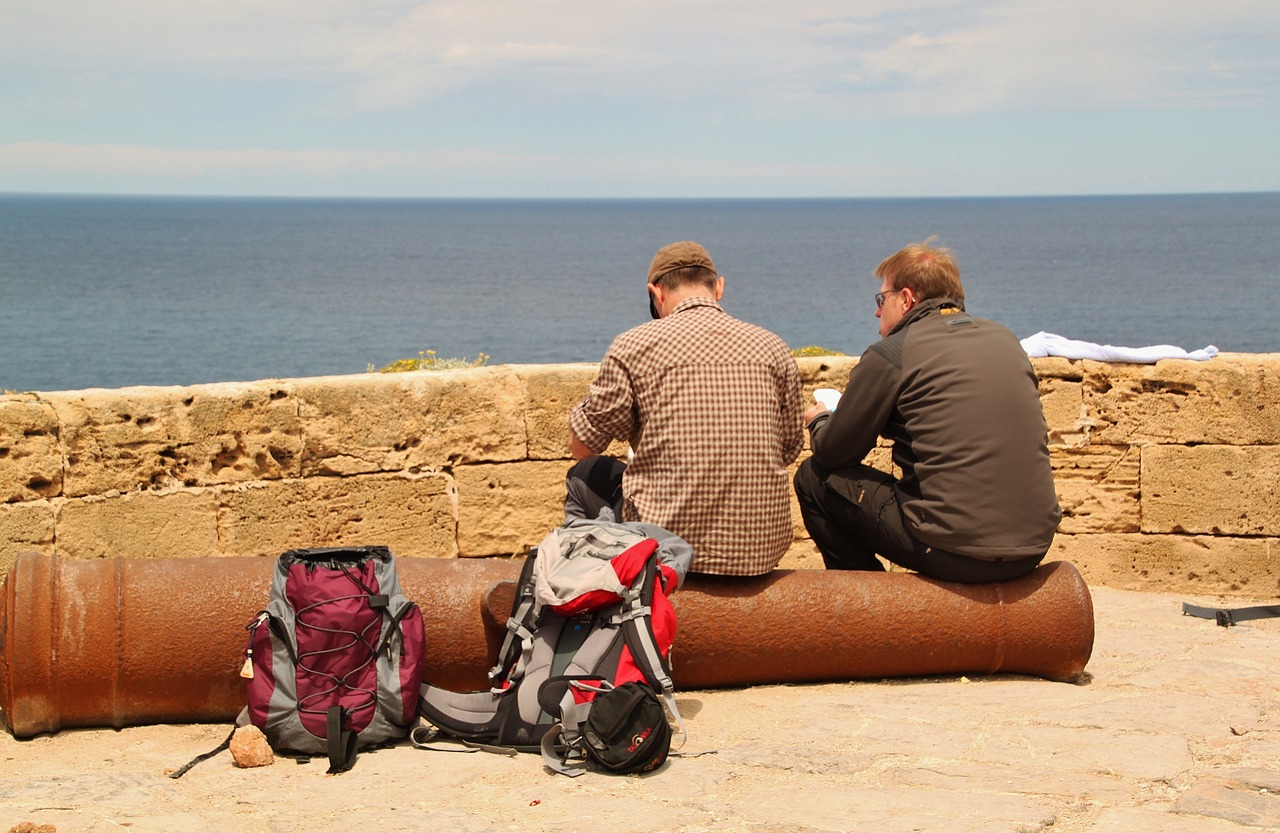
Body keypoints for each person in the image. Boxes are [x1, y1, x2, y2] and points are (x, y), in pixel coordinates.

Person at [793, 239, 1061, 583]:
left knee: (813, 478)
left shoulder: (892, 353)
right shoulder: (1005, 339)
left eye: (882, 299)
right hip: (1033, 546)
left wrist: (820, 421)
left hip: (955, 551)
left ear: (906, 299)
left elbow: (834, 452)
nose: (877, 311)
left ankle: (869, 614)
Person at [566, 241, 804, 576]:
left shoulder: (632, 346)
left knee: (583, 476)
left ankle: (585, 587)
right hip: (759, 553)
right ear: (718, 287)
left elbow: (583, 448)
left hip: (664, 548)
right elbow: (790, 447)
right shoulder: (773, 347)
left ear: (656, 293)